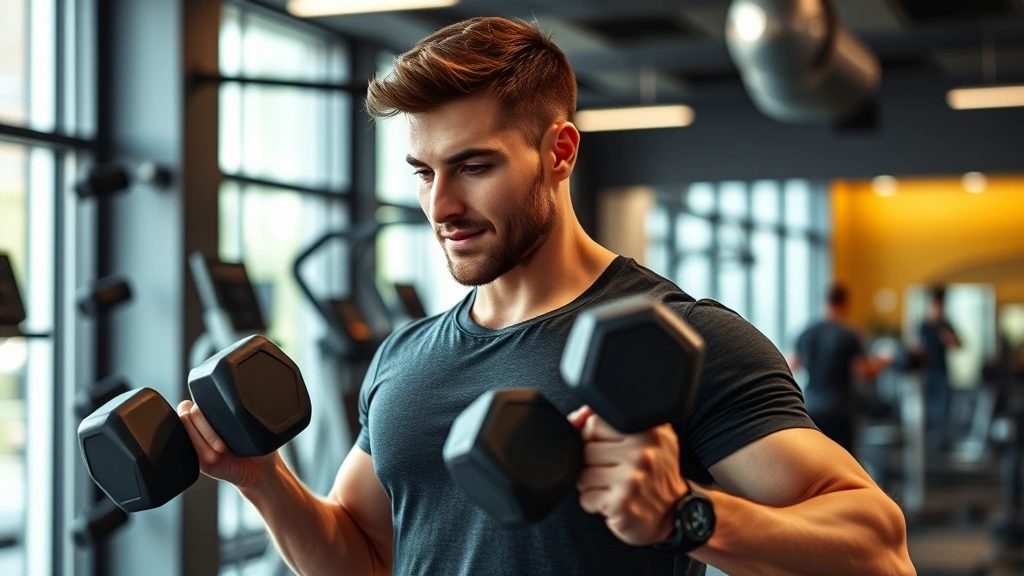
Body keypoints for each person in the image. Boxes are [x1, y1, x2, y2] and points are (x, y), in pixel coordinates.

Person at [176, 17, 914, 576]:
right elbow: (362, 555)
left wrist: (687, 515)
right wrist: (262, 480)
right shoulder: (404, 357)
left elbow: (879, 548)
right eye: (423, 172)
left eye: (472, 166)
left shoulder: (681, 340)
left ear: (559, 152)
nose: (441, 207)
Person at [789, 284, 890, 455]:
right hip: (839, 410)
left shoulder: (806, 333)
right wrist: (884, 360)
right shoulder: (848, 335)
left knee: (817, 461)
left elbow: (788, 367)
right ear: (845, 304)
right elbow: (865, 373)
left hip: (811, 409)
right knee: (843, 463)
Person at [918, 285, 961, 451]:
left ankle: (941, 445)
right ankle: (928, 446)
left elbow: (959, 345)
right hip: (927, 373)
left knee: (942, 410)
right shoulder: (924, 325)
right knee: (928, 410)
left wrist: (949, 339)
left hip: (942, 373)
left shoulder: (946, 325)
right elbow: (917, 347)